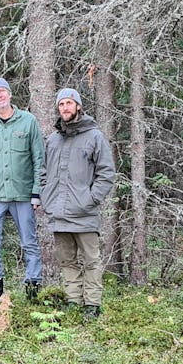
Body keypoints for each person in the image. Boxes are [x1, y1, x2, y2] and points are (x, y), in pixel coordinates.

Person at [41, 88, 116, 320]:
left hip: (84, 213)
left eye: (69, 103)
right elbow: (43, 172)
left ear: (78, 106)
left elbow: (106, 173)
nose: (65, 107)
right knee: (67, 261)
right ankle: (73, 301)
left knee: (91, 261)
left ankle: (92, 304)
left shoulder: (94, 137)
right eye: (61, 104)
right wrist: (47, 197)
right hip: (59, 213)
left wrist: (90, 199)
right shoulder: (53, 140)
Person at [0, 77, 45, 304]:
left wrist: (36, 191)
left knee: (29, 243)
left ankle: (33, 289)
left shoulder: (28, 121)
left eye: (2, 91)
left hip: (23, 194)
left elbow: (38, 158)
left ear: (10, 94)